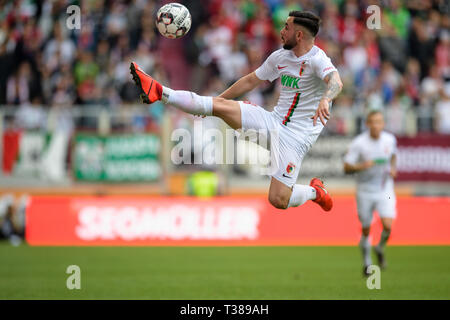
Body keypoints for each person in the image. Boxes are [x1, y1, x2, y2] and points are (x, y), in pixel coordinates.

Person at [130, 11, 343, 211]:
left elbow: (336, 82)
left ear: (298, 35)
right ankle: (160, 91)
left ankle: (316, 192)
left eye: (286, 27)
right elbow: (251, 80)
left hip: (295, 139)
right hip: (271, 122)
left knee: (278, 199)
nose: (281, 31)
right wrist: (216, 102)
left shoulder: (317, 60)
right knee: (220, 106)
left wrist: (326, 98)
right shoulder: (280, 57)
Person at [343, 110, 398, 276]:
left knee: (388, 225)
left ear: (383, 124)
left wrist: (394, 169)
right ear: (367, 124)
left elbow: (393, 156)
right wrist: (361, 166)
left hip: (385, 188)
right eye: (373, 121)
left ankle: (380, 247)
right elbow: (346, 167)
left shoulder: (390, 140)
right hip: (365, 190)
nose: (376, 125)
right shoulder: (359, 143)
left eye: (379, 121)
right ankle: (367, 263)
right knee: (366, 228)